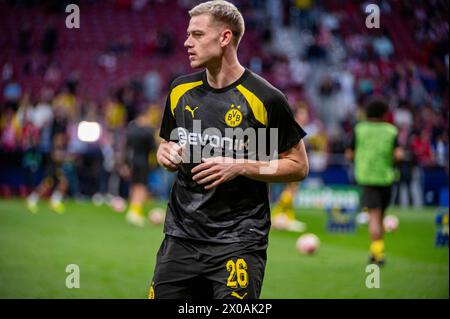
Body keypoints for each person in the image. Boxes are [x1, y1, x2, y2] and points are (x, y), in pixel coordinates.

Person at [150, 0, 309, 299]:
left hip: (239, 241)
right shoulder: (180, 91)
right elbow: (168, 143)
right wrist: (165, 154)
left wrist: (240, 166)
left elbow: (298, 165)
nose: (186, 42)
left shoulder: (266, 99)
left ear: (224, 38)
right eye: (188, 34)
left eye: (197, 35)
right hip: (181, 238)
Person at [345, 98, 403, 266]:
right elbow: (399, 155)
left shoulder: (360, 129)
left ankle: (378, 254)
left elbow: (349, 154)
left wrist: (362, 158)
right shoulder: (391, 131)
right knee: (381, 216)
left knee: (374, 217)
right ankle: (376, 251)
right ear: (384, 114)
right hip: (386, 178)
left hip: (367, 178)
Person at [123, 107, 157, 227]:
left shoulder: (131, 129)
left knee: (134, 185)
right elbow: (153, 147)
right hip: (143, 161)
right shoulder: (147, 130)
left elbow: (126, 147)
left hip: (132, 161)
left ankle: (132, 211)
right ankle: (136, 213)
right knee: (141, 186)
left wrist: (125, 164)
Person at [26, 132, 70, 214]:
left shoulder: (61, 148)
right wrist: (66, 157)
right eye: (60, 138)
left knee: (64, 183)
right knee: (45, 186)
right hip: (51, 170)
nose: (61, 140)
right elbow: (56, 158)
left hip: (57, 170)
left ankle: (54, 202)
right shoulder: (54, 147)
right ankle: (31, 200)